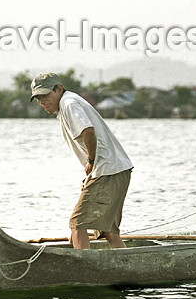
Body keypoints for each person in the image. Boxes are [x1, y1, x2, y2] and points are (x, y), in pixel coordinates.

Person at [30, 72, 133, 249]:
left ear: (58, 89)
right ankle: (127, 266)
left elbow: (88, 131)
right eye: (38, 98)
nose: (43, 102)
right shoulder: (69, 103)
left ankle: (85, 266)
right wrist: (91, 174)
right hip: (116, 169)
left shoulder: (68, 103)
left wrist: (91, 162)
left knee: (77, 224)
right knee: (108, 231)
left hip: (107, 170)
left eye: (46, 95)